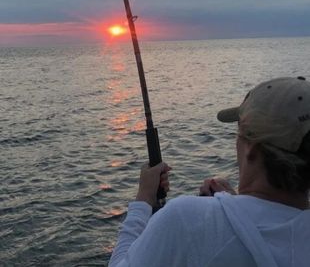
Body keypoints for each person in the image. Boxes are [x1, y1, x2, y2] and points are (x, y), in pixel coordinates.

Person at [108, 76, 310, 267]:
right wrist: (238, 205)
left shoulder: (185, 219)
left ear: (252, 150)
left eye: (239, 131)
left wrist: (143, 198)